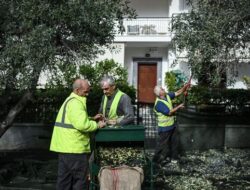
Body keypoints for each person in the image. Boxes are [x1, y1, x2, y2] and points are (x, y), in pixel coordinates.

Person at [50, 79, 106, 190]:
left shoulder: (70, 100)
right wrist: (97, 125)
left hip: (64, 148)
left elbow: (73, 120)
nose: (87, 94)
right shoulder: (76, 103)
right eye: (85, 92)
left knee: (64, 182)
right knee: (81, 180)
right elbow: (82, 125)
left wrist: (91, 118)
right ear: (77, 90)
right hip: (75, 149)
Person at [152, 83, 189, 166]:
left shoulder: (167, 96)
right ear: (160, 93)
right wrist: (178, 107)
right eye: (162, 89)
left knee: (175, 142)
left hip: (172, 125)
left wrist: (185, 87)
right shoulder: (159, 104)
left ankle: (174, 158)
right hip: (164, 128)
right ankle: (155, 161)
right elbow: (169, 112)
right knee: (161, 145)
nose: (163, 89)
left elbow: (178, 93)